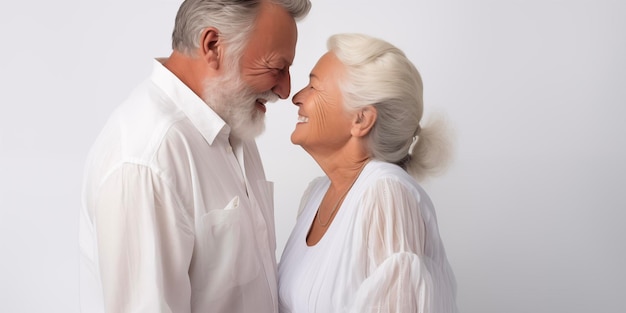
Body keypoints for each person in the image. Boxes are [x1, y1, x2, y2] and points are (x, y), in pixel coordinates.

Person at [79, 0, 311, 312]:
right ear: (213, 45)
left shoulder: (233, 124)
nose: (285, 90)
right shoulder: (148, 158)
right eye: (276, 68)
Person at [277, 33, 459, 313]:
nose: (297, 97)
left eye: (314, 86)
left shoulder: (386, 194)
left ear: (361, 119)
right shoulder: (316, 193)